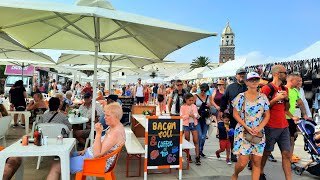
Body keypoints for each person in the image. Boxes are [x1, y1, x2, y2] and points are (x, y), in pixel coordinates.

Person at [46, 103, 126, 179]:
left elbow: (97, 154)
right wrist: (86, 149)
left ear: (116, 116)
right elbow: (101, 146)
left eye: (107, 115)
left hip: (96, 163)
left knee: (55, 166)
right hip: (95, 159)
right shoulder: (117, 127)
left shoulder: (114, 134)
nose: (104, 117)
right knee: (66, 155)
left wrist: (98, 133)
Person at [230, 72, 270, 180]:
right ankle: (235, 174)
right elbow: (235, 114)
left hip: (258, 132)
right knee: (243, 162)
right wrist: (246, 126)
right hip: (243, 131)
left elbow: (267, 115)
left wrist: (259, 127)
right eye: (251, 80)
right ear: (246, 82)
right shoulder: (240, 97)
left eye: (256, 80)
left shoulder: (263, 97)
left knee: (257, 161)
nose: (254, 82)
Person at [260, 65, 292, 180]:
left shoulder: (285, 89)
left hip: (284, 126)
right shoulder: (266, 88)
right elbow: (262, 108)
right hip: (270, 126)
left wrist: (286, 99)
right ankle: (260, 172)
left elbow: (286, 108)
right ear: (277, 74)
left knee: (287, 154)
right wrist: (275, 99)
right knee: (267, 152)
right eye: (285, 72)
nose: (286, 74)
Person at [220, 68, 247, 162]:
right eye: (240, 74)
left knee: (247, 135)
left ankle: (246, 154)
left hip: (248, 116)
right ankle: (233, 152)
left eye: (243, 74)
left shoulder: (249, 86)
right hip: (234, 115)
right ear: (236, 76)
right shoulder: (230, 87)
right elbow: (224, 99)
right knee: (234, 134)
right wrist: (222, 110)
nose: (242, 76)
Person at [285, 73, 309, 167]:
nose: (299, 82)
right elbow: (282, 108)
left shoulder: (295, 90)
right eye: (297, 80)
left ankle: (289, 159)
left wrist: (305, 115)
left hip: (291, 120)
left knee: (292, 138)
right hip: (281, 119)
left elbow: (300, 103)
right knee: (274, 140)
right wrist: (292, 117)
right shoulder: (283, 90)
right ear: (291, 81)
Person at [180, 93, 200, 165]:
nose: (191, 102)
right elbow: (181, 117)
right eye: (190, 100)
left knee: (196, 140)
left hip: (194, 124)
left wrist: (197, 116)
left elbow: (197, 114)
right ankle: (188, 155)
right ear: (186, 100)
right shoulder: (182, 107)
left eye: (192, 100)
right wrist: (188, 115)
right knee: (187, 140)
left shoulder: (194, 106)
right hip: (186, 124)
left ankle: (197, 156)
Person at [195, 83, 212, 158]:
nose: (203, 92)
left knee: (204, 136)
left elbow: (211, 108)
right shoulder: (195, 96)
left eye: (205, 91)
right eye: (202, 90)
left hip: (205, 118)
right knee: (200, 135)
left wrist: (209, 106)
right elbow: (192, 106)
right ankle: (198, 151)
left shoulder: (209, 97)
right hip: (198, 118)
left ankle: (200, 150)